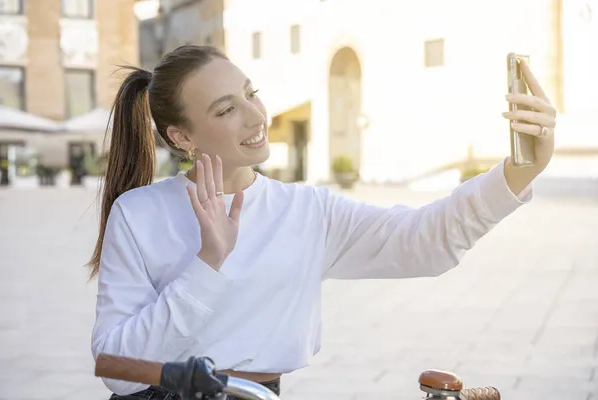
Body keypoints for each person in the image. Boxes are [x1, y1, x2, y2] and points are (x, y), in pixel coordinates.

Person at [89, 45, 557, 399]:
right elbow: (114, 365)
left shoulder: (307, 211)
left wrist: (521, 169)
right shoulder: (139, 213)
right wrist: (208, 263)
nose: (255, 116)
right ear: (181, 135)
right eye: (226, 109)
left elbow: (424, 241)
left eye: (251, 94)